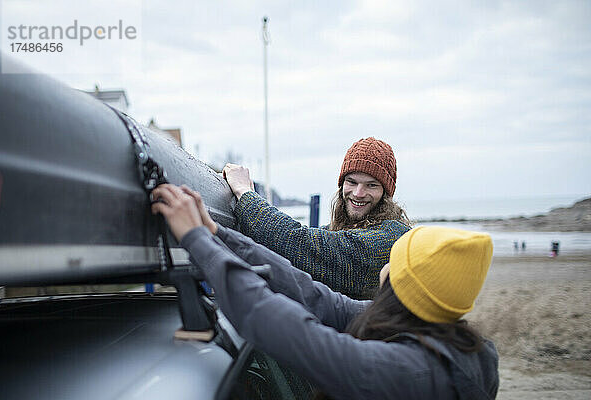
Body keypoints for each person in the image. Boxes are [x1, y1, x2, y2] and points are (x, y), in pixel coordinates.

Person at [150, 184, 499, 400]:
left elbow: (283, 325)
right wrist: (217, 234)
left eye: (397, 261)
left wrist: (196, 241)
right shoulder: (438, 335)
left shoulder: (406, 372)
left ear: (404, 284)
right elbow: (314, 296)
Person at [223, 137, 411, 298]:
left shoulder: (391, 239)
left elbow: (303, 245)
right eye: (351, 182)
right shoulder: (344, 229)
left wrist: (245, 193)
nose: (358, 193)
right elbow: (288, 242)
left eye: (371, 185)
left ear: (386, 193)